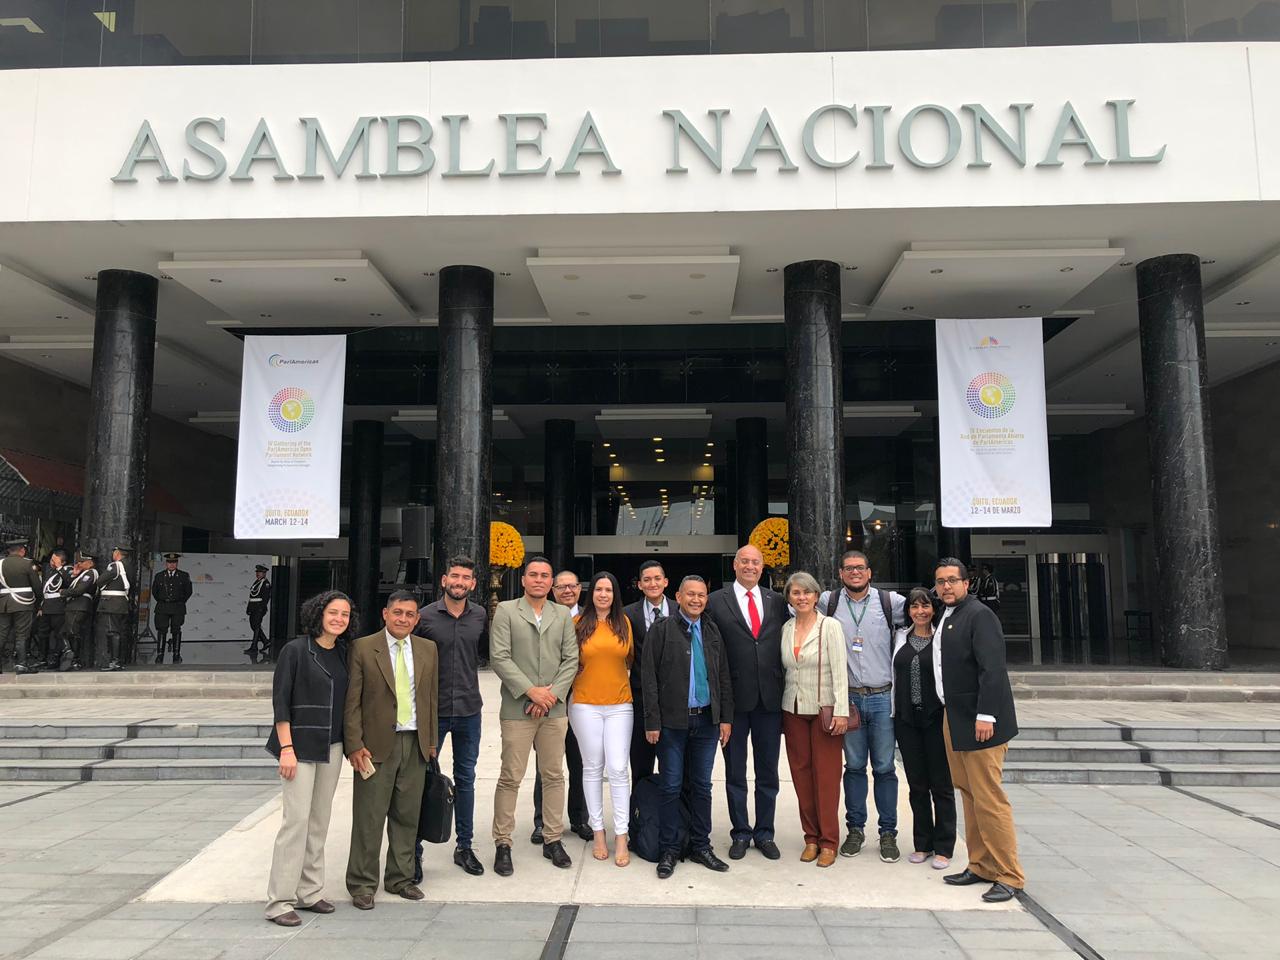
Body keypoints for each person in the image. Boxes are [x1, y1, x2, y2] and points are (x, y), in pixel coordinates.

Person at [933, 558, 1024, 904]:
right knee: (968, 794)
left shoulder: (979, 615)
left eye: (953, 581)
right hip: (954, 716)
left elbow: (993, 669)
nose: (946, 587)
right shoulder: (948, 615)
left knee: (988, 798)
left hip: (980, 720)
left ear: (967, 583)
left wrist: (986, 715)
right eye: (941, 581)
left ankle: (1010, 874)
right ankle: (981, 864)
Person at [264, 591, 356, 926]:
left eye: (345, 615)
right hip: (299, 748)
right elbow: (281, 703)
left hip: (331, 747)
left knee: (318, 822)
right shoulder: (296, 651)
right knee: (296, 823)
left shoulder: (345, 653)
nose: (339, 619)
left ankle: (310, 892)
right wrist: (286, 748)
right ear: (318, 613)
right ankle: (279, 901)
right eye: (333, 613)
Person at [344, 590, 438, 908]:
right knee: (369, 817)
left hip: (415, 741)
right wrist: (354, 744)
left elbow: (430, 699)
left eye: (409, 614)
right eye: (397, 612)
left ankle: (400, 878)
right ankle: (362, 884)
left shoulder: (427, 649)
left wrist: (432, 741)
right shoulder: (363, 647)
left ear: (417, 618)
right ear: (386, 614)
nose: (403, 619)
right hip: (374, 746)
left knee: (407, 815)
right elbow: (352, 702)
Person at [489, 556, 579, 877]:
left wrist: (550, 695)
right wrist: (531, 691)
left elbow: (571, 658)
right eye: (533, 575)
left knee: (554, 775)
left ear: (551, 582)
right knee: (511, 776)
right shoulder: (506, 611)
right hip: (517, 709)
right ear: (524, 579)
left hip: (553, 710)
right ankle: (503, 842)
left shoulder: (563, 614)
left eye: (545, 576)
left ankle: (553, 838)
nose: (539, 580)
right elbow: (499, 657)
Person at [642, 575, 734, 879]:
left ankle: (700, 845)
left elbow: (722, 676)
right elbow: (649, 679)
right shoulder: (662, 629)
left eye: (702, 595)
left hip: (706, 722)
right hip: (672, 724)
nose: (696, 600)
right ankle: (668, 848)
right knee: (670, 786)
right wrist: (652, 721)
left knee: (702, 787)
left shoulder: (711, 630)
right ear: (678, 596)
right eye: (690, 595)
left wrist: (725, 718)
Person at [819, 550, 905, 863]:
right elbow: (795, 606)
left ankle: (888, 833)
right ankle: (855, 830)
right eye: (849, 568)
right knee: (854, 768)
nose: (855, 572)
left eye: (860, 568)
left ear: (869, 572)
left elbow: (925, 610)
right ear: (840, 573)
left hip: (883, 697)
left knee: (884, 767)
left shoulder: (890, 602)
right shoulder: (828, 602)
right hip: (849, 699)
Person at [705, 544, 788, 861]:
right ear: (735, 565)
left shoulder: (777, 601)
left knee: (768, 773)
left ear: (762, 567)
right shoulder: (715, 602)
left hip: (770, 702)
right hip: (734, 704)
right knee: (735, 773)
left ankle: (765, 833)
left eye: (756, 562)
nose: (750, 566)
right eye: (745, 561)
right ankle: (740, 832)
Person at [412, 555, 488, 879]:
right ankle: (413, 854)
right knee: (422, 781)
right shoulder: (425, 617)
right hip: (434, 712)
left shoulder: (481, 615)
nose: (459, 582)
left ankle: (464, 847)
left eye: (465, 578)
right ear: (444, 580)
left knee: (466, 779)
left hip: (470, 709)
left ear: (472, 583)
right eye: (454, 576)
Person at [780, 571, 849, 867]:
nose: (802, 597)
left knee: (827, 777)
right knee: (801, 776)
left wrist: (842, 710)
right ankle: (811, 837)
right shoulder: (786, 627)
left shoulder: (829, 626)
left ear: (816, 596)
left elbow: (840, 670)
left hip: (825, 711)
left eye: (807, 592)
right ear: (789, 598)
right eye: (796, 593)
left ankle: (829, 841)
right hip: (792, 710)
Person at [568, 571, 634, 867]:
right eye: (598, 589)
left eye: (608, 589)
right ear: (590, 593)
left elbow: (629, 659)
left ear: (614, 594)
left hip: (620, 704)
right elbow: (568, 661)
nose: (603, 594)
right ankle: (598, 831)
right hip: (584, 705)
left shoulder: (624, 623)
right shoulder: (577, 624)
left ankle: (622, 834)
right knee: (592, 767)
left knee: (619, 768)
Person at [892, 587, 956, 871]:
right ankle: (922, 843)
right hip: (906, 721)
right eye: (915, 607)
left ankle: (944, 846)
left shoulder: (943, 638)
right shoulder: (900, 638)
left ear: (933, 609)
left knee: (940, 785)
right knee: (916, 785)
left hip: (935, 718)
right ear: (908, 611)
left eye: (925, 606)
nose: (920, 611)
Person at [531, 569, 592, 845]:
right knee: (547, 765)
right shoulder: (546, 616)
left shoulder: (592, 617)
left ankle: (579, 819)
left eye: (572, 586)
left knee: (580, 763)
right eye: (561, 587)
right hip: (548, 702)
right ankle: (541, 821)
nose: (567, 591)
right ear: (553, 590)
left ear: (580, 588)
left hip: (582, 702)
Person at [622, 559, 672, 781]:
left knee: (674, 768)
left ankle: (674, 815)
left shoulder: (681, 610)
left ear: (666, 582)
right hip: (640, 699)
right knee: (641, 765)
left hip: (675, 702)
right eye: (647, 580)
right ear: (640, 585)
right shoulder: (627, 615)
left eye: (657, 578)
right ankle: (641, 813)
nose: (653, 583)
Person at [0, 536, 40, 674]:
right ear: (22, 551)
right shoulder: (27, 564)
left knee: (2, 633)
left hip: (4, 603)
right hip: (23, 604)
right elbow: (36, 586)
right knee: (21, 634)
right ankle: (21, 665)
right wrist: (39, 603)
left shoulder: (0, 564)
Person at [94, 545, 133, 672]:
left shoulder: (115, 566)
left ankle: (114, 661)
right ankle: (118, 660)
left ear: (117, 554)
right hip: (121, 603)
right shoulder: (130, 566)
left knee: (112, 632)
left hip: (111, 604)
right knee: (119, 631)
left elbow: (100, 580)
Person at [152, 553, 193, 664]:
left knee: (176, 630)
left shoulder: (184, 575)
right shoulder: (159, 576)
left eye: (174, 562)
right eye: (169, 562)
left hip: (177, 606)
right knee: (162, 630)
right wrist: (163, 600)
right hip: (163, 606)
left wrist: (180, 601)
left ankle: (176, 654)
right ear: (166, 563)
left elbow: (188, 591)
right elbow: (155, 592)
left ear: (177, 563)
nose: (171, 564)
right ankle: (160, 655)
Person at [61, 553, 97, 671]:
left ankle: (74, 659)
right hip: (74, 605)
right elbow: (73, 585)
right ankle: (70, 653)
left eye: (82, 562)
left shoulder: (91, 573)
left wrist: (63, 592)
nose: (79, 564)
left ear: (90, 563)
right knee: (66, 632)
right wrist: (74, 575)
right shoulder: (82, 574)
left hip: (80, 605)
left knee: (72, 632)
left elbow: (80, 590)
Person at [35, 549, 68, 670]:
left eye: (55, 560)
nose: (52, 562)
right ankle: (41, 658)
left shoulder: (66, 570)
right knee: (42, 633)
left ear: (62, 562)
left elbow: (69, 582)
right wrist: (40, 606)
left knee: (58, 634)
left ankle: (56, 658)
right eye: (51, 559)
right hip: (46, 606)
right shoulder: (46, 568)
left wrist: (59, 567)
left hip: (58, 606)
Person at [245, 564, 272, 662]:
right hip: (253, 607)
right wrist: (248, 608)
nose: (257, 574)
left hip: (259, 608)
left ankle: (254, 646)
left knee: (256, 626)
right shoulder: (257, 582)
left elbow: (265, 598)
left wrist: (261, 608)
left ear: (264, 573)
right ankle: (265, 641)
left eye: (259, 572)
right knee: (254, 626)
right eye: (257, 572)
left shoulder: (265, 583)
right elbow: (252, 596)